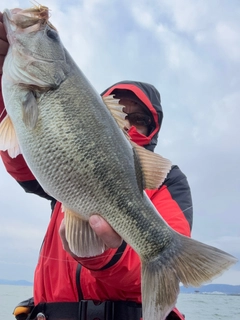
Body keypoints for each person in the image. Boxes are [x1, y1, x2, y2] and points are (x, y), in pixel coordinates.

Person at [0, 12, 193, 320]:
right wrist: (5, 94)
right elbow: (24, 161)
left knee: (160, 252)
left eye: (140, 119)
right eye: (122, 113)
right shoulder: (62, 172)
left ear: (153, 130)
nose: (129, 124)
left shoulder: (168, 180)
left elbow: (145, 278)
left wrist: (111, 251)